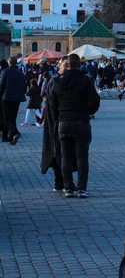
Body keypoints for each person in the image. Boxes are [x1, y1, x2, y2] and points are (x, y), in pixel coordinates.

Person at [50, 54, 100, 198]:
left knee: (65, 156)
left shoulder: (58, 81)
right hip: (81, 122)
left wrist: (58, 118)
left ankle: (68, 189)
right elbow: (95, 101)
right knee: (82, 157)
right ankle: (82, 189)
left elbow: (53, 104)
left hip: (63, 122)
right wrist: (88, 112)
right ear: (80, 65)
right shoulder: (85, 81)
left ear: (66, 65)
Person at [41, 57, 68, 192]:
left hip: (63, 121)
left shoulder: (68, 80)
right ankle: (61, 182)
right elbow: (49, 101)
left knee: (64, 152)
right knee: (59, 150)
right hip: (56, 122)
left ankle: (65, 183)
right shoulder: (55, 80)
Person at [0, 57, 26, 145]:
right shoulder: (20, 73)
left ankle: (15, 133)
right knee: (13, 118)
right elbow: (24, 87)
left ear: (9, 62)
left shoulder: (5, 72)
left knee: (6, 118)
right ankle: (10, 138)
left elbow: (1, 86)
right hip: (17, 99)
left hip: (6, 98)